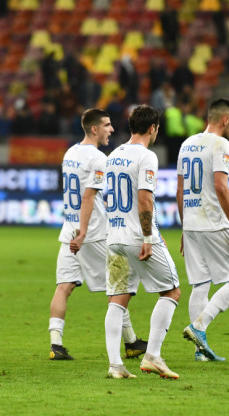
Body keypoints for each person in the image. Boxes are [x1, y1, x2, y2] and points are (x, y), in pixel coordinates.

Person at [49, 108, 147, 361]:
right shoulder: (98, 159)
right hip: (92, 233)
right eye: (107, 125)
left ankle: (55, 344)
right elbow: (88, 196)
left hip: (68, 230)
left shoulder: (70, 153)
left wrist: (76, 232)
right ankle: (131, 342)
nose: (111, 129)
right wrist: (83, 233)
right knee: (118, 288)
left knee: (64, 286)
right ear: (94, 129)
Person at [104, 105, 181, 379]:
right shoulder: (147, 156)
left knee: (118, 300)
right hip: (138, 237)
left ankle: (115, 365)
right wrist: (149, 236)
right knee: (171, 291)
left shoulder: (113, 156)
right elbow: (145, 198)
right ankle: (152, 356)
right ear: (153, 128)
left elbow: (107, 198)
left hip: (113, 236)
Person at [178, 99, 229, 362]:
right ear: (225, 120)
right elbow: (220, 185)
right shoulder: (221, 144)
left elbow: (179, 190)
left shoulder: (186, 145)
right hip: (213, 221)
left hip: (192, 223)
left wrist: (185, 227)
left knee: (200, 283)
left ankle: (200, 351)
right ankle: (199, 326)